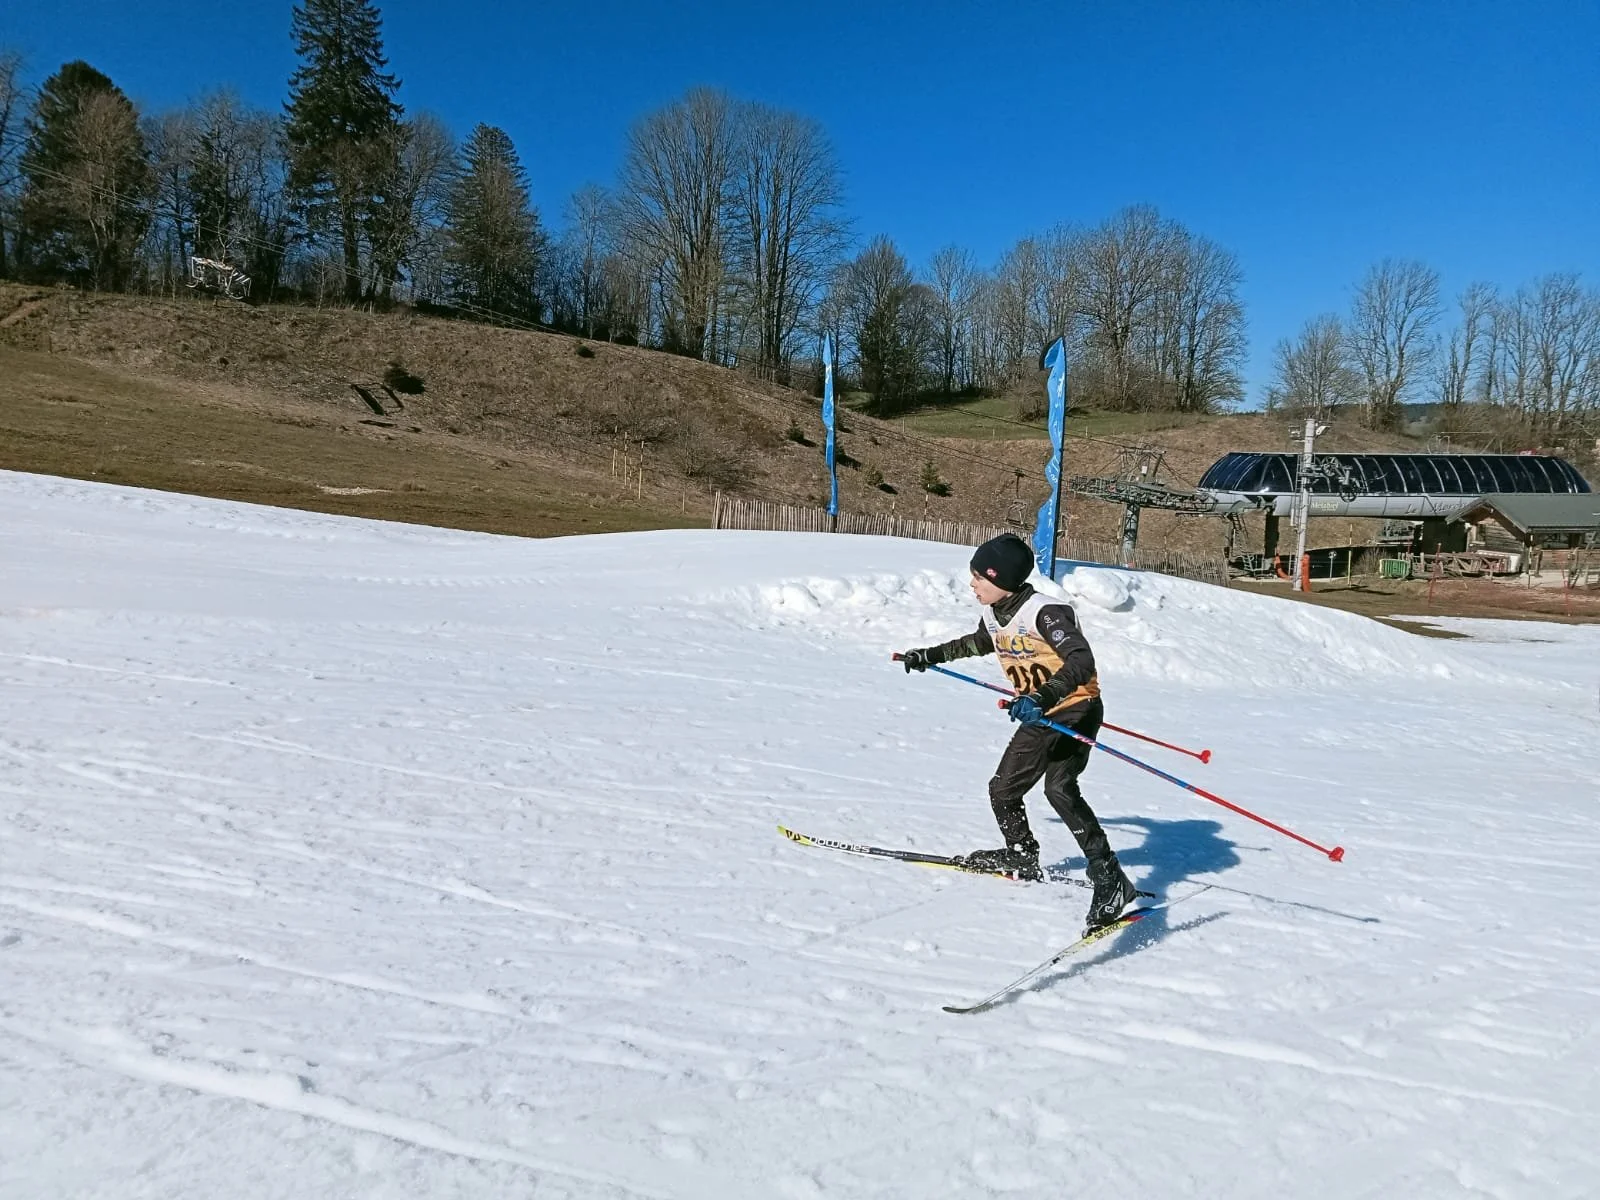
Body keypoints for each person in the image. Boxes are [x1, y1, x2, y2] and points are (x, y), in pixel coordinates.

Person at [898, 533, 1139, 933]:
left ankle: (1039, 859)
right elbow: (979, 642)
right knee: (1059, 790)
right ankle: (1089, 871)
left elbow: (1081, 659)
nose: (972, 584)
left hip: (1069, 708)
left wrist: (1043, 697)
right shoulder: (995, 613)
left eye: (979, 577)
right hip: (1047, 711)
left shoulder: (1046, 612)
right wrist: (930, 656)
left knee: (1005, 789)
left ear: (1001, 578)